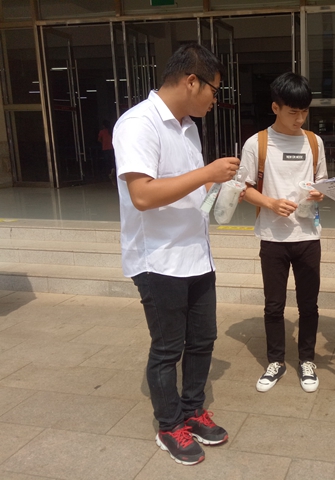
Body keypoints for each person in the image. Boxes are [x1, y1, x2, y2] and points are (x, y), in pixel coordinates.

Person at [113, 43, 240, 466]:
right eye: (214, 90)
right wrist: (207, 173)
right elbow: (143, 195)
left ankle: (192, 410)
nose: (215, 99)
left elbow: (190, 187)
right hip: (158, 259)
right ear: (191, 81)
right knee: (168, 347)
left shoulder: (188, 127)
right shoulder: (138, 124)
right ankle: (169, 425)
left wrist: (218, 188)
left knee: (203, 339)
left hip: (195, 254)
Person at [240, 72, 327, 394]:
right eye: (293, 112)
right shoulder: (257, 143)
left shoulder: (314, 142)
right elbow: (243, 187)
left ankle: (307, 360)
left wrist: (319, 193)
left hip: (308, 236)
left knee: (309, 305)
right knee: (274, 306)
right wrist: (270, 203)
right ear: (275, 108)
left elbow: (322, 182)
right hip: (273, 237)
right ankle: (275, 360)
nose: (299, 119)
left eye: (304, 112)